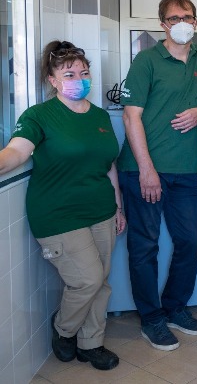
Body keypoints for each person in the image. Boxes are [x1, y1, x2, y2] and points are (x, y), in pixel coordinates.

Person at [0, 41, 126, 371]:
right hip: (58, 214)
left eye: (84, 73)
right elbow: (17, 152)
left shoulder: (99, 116)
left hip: (101, 210)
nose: (78, 80)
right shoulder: (39, 115)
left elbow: (108, 164)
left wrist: (118, 206)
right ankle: (64, 329)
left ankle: (91, 343)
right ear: (53, 80)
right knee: (88, 279)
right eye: (69, 74)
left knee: (102, 280)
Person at [117, 0, 197, 351]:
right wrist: (146, 169)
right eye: (174, 18)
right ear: (162, 24)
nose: (181, 23)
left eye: (187, 17)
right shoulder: (147, 60)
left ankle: (175, 308)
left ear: (196, 22)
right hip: (144, 169)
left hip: (186, 171)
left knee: (191, 241)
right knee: (145, 246)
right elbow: (130, 116)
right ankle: (151, 318)